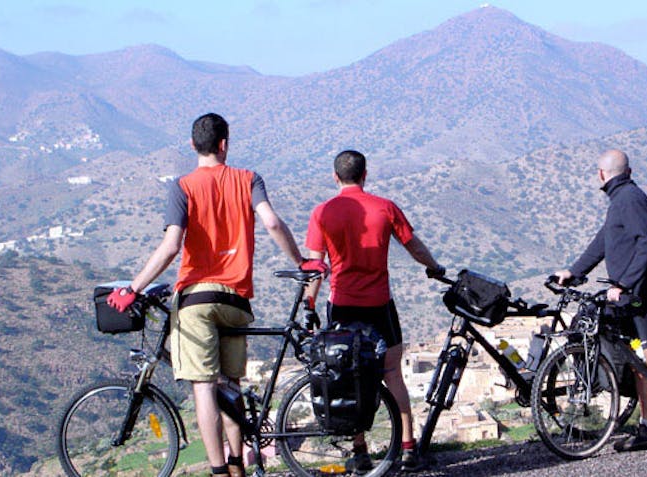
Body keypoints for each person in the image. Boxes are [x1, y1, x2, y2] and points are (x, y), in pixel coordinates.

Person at [106, 113, 314, 477]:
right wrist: (300, 261)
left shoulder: (182, 186)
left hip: (197, 301)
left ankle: (218, 470)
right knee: (230, 385)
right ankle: (237, 463)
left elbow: (172, 245)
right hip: (236, 300)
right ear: (224, 144)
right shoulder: (249, 179)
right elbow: (271, 222)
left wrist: (133, 288)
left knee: (204, 387)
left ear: (193, 145)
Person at [304, 150, 445, 472]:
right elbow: (414, 246)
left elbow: (316, 266)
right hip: (380, 305)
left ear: (335, 177)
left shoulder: (322, 212)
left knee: (348, 377)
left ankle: (360, 452)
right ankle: (408, 448)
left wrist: (310, 303)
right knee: (392, 373)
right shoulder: (385, 207)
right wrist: (434, 267)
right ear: (365, 174)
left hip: (342, 305)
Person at [553, 149, 647, 462]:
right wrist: (573, 271)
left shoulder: (629, 199)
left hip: (643, 295)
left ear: (601, 174)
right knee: (637, 363)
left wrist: (625, 283)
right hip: (629, 296)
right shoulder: (621, 200)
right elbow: (603, 242)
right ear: (628, 171)